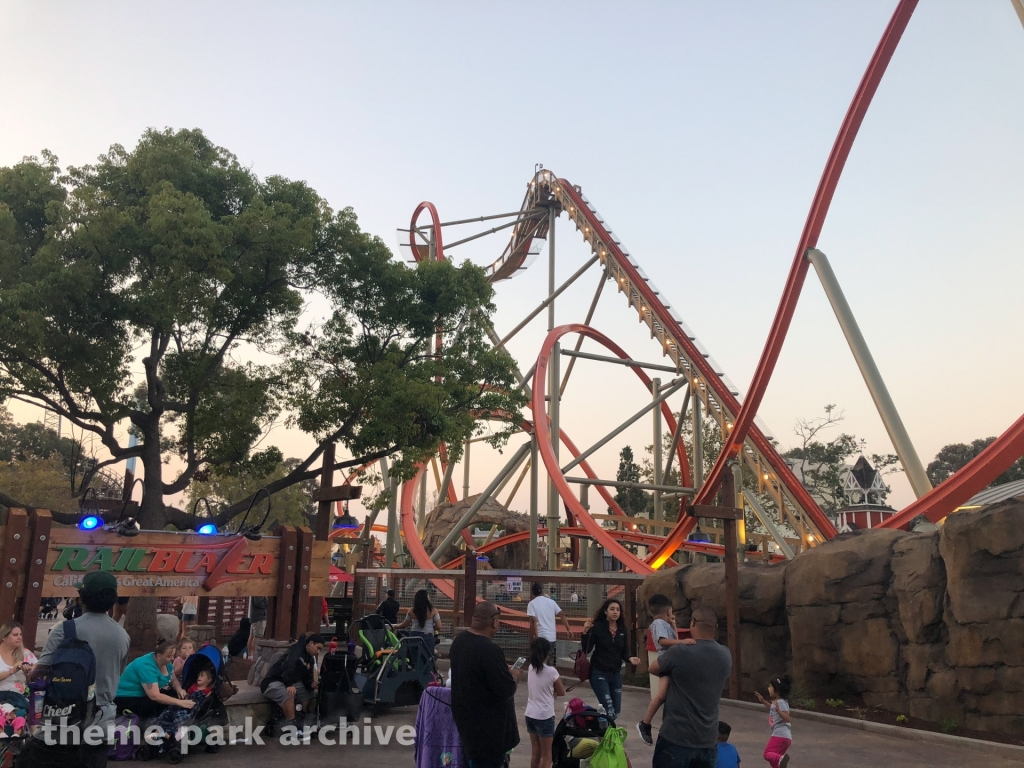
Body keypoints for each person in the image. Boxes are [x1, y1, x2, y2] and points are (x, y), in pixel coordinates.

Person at [19, 571, 131, 768]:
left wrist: (30, 675)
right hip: (100, 726)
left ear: (81, 598)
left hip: (60, 724)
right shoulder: (122, 636)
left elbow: (38, 674)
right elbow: (116, 675)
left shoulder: (65, 629)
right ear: (112, 600)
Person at [648, 604, 733, 768]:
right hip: (708, 740)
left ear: (692, 622)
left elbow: (653, 668)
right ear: (715, 627)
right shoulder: (725, 655)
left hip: (676, 738)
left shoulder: (680, 651)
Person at [450, 602, 521, 768]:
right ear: (494, 622)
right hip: (490, 734)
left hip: (468, 727)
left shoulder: (459, 642)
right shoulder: (489, 650)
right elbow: (506, 689)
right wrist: (514, 676)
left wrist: (501, 669)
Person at [637, 593, 695, 744]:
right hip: (666, 661)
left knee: (670, 694)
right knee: (661, 695)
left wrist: (674, 626)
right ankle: (645, 723)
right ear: (669, 611)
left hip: (671, 661)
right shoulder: (658, 624)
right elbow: (663, 642)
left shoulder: (665, 625)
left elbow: (673, 639)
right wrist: (683, 643)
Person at [580, 598, 640, 722]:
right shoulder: (598, 627)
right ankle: (607, 737)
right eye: (612, 609)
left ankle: (595, 725)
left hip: (615, 674)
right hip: (599, 673)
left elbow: (624, 651)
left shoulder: (622, 629)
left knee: (616, 712)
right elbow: (587, 649)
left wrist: (630, 658)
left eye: (618, 610)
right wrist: (585, 632)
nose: (615, 612)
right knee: (609, 710)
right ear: (605, 611)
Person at [259, 633, 323, 729]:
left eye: (320, 649)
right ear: (311, 643)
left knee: (308, 693)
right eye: (318, 648)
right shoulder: (296, 650)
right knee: (289, 694)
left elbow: (307, 676)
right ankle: (291, 726)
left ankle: (302, 721)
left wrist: (311, 684)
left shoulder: (310, 658)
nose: (318, 652)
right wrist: (289, 684)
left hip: (290, 682)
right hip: (273, 681)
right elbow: (288, 666)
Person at [115, 639, 192, 719]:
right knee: (160, 707)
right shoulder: (146, 666)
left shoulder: (167, 663)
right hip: (126, 696)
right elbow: (154, 696)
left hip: (145, 693)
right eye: (169, 656)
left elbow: (173, 679)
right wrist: (180, 703)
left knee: (176, 695)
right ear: (159, 656)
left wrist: (179, 689)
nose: (172, 659)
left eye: (173, 656)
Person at [525, 637, 565, 768]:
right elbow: (562, 691)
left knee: (535, 753)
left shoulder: (531, 668)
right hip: (544, 716)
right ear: (548, 653)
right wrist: (553, 693)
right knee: (547, 755)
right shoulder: (551, 671)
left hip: (530, 714)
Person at [153, 667, 215, 742]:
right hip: (184, 703)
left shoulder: (208, 690)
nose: (199, 677)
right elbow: (187, 694)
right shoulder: (193, 686)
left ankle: (168, 732)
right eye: (198, 675)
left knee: (179, 718)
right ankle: (159, 730)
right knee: (168, 712)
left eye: (202, 676)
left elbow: (205, 699)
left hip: (191, 707)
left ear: (209, 680)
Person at [755, 675, 792, 768]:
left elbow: (787, 718)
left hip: (780, 734)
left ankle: (780, 759)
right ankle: (780, 760)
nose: (768, 689)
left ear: (777, 690)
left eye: (770, 687)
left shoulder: (781, 703)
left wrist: (779, 711)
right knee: (774, 762)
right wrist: (763, 701)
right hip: (784, 736)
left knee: (767, 754)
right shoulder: (778, 701)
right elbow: (772, 708)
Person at [395, 589, 442, 656]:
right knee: (427, 660)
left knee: (415, 659)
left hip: (413, 637)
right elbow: (439, 626)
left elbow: (404, 625)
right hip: (427, 637)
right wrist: (432, 627)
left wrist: (396, 626)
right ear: (426, 598)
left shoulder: (411, 611)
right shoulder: (433, 611)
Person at [0, 622, 37, 697]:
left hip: (19, 697)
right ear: (4, 637)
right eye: (15, 635)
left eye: (20, 634)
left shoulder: (26, 653)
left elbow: (37, 674)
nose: (19, 637)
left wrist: (29, 672)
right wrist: (12, 671)